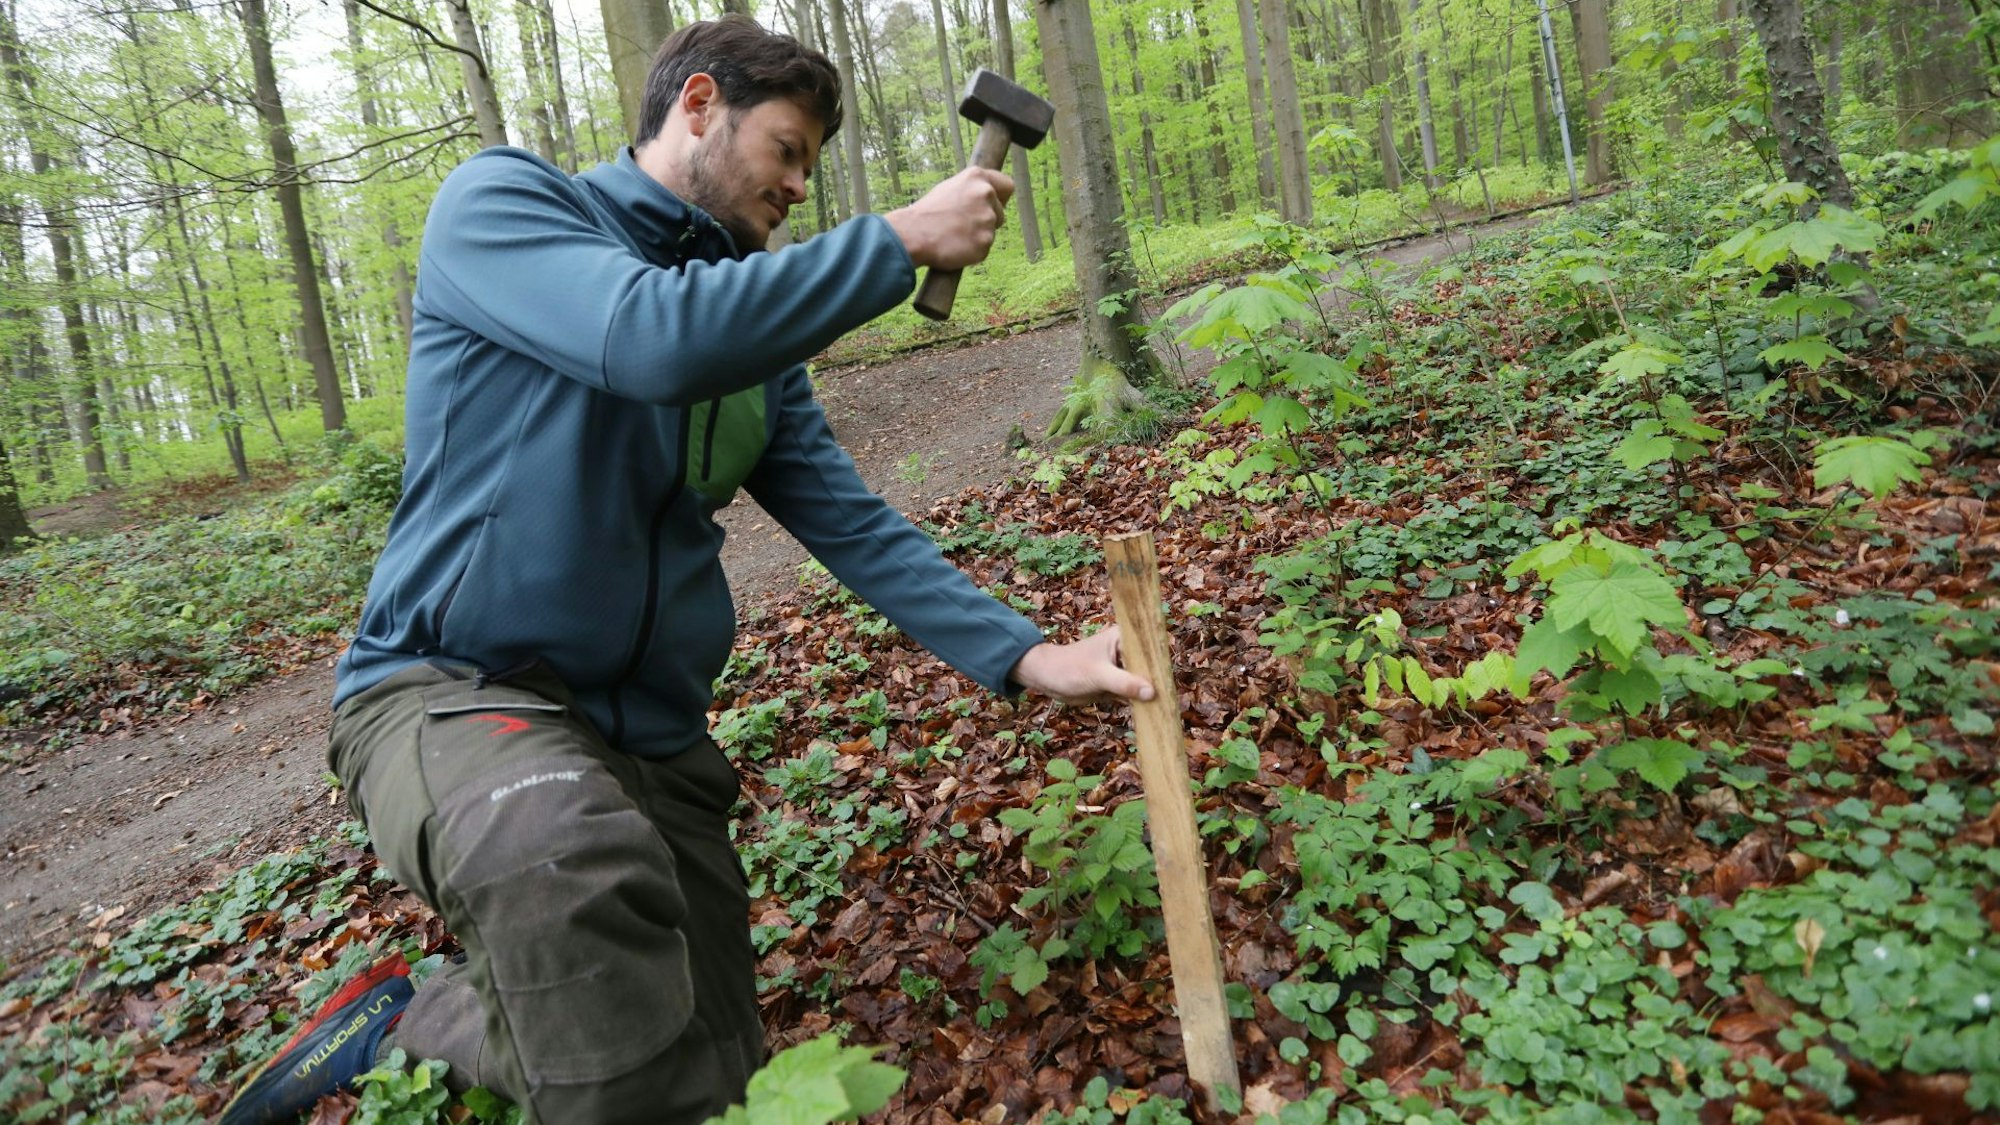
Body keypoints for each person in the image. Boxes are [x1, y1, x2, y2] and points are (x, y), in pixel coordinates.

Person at [219, 15, 1150, 1125]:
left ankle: (422, 1020)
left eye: (812, 164)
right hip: (451, 693)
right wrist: (896, 237)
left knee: (707, 1070)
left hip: (650, 740)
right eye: (788, 150)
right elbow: (648, 339)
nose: (800, 185)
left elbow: (846, 518)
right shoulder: (509, 208)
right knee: (567, 862)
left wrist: (1024, 653)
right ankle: (450, 1019)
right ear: (698, 106)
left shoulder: (750, 343)